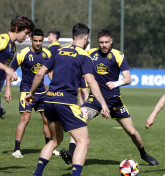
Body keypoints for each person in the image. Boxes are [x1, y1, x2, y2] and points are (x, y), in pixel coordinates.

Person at [59, 29, 158, 166]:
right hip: (96, 100)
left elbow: (128, 79)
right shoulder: (90, 54)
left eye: (106, 42)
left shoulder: (118, 56)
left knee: (131, 131)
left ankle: (144, 154)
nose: (104, 45)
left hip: (114, 101)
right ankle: (71, 154)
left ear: (111, 41)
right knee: (79, 120)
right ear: (97, 42)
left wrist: (116, 83)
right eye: (101, 42)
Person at [25, 23, 110, 176]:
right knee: (83, 141)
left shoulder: (58, 51)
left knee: (54, 141)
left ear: (72, 37)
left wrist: (31, 93)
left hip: (49, 100)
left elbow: (40, 74)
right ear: (86, 38)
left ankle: (37, 174)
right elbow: (91, 81)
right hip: (66, 103)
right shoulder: (85, 56)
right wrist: (103, 104)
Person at [5, 29, 60, 158]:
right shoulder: (22, 53)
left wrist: (57, 85)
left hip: (42, 91)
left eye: (40, 41)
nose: (38, 43)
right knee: (25, 118)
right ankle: (17, 149)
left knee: (47, 120)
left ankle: (50, 147)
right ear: (31, 40)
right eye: (35, 40)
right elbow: (10, 71)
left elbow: (50, 72)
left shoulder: (47, 53)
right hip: (26, 90)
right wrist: (8, 89)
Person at [0, 15, 33, 118]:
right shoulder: (3, 39)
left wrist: (7, 89)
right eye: (26, 33)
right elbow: (6, 68)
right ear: (18, 29)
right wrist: (7, 69)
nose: (27, 37)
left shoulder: (12, 46)